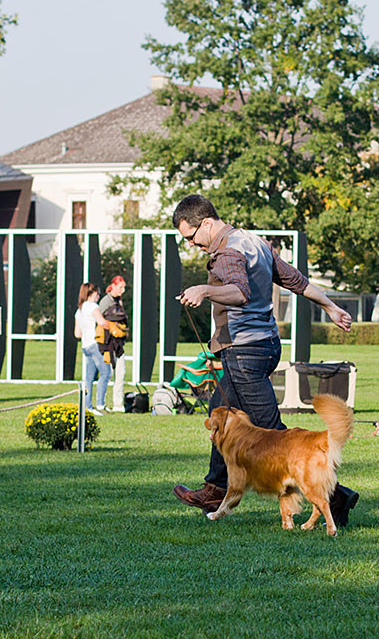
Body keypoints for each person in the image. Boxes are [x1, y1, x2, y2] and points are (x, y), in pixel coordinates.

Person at [170, 194, 360, 527]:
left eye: (191, 236)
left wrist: (204, 290)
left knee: (274, 434)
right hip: (267, 344)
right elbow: (295, 280)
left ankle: (336, 497)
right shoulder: (253, 242)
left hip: (244, 350)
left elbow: (239, 292)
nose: (192, 244)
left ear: (207, 223)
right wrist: (329, 306)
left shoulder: (226, 253)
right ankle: (215, 489)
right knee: (220, 415)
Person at [74, 282, 113, 415]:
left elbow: (77, 334)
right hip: (95, 344)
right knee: (106, 372)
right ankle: (100, 404)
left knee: (89, 377)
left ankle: (88, 406)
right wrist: (115, 327)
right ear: (93, 293)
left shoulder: (79, 310)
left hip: (86, 345)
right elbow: (102, 322)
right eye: (98, 293)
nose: (98, 296)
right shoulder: (92, 306)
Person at [98, 276, 129, 412]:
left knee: (121, 374)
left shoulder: (119, 301)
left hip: (119, 345)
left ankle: (118, 404)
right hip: (108, 344)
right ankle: (101, 402)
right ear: (113, 286)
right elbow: (99, 320)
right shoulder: (106, 301)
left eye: (124, 288)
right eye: (121, 287)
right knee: (107, 374)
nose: (123, 290)